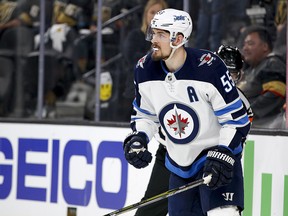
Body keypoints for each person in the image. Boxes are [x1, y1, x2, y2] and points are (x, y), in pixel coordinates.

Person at [122, 8, 251, 216]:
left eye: (161, 35)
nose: (153, 40)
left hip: (215, 161)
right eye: (153, 33)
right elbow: (145, 114)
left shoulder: (209, 68)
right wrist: (139, 137)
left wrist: (225, 152)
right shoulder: (144, 69)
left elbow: (237, 120)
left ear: (179, 38)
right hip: (178, 166)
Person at [237, 25, 286, 128]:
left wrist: (245, 113)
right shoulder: (251, 68)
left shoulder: (272, 64)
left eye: (250, 43)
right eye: (244, 44)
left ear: (264, 47)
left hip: (263, 129)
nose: (245, 48)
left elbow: (274, 94)